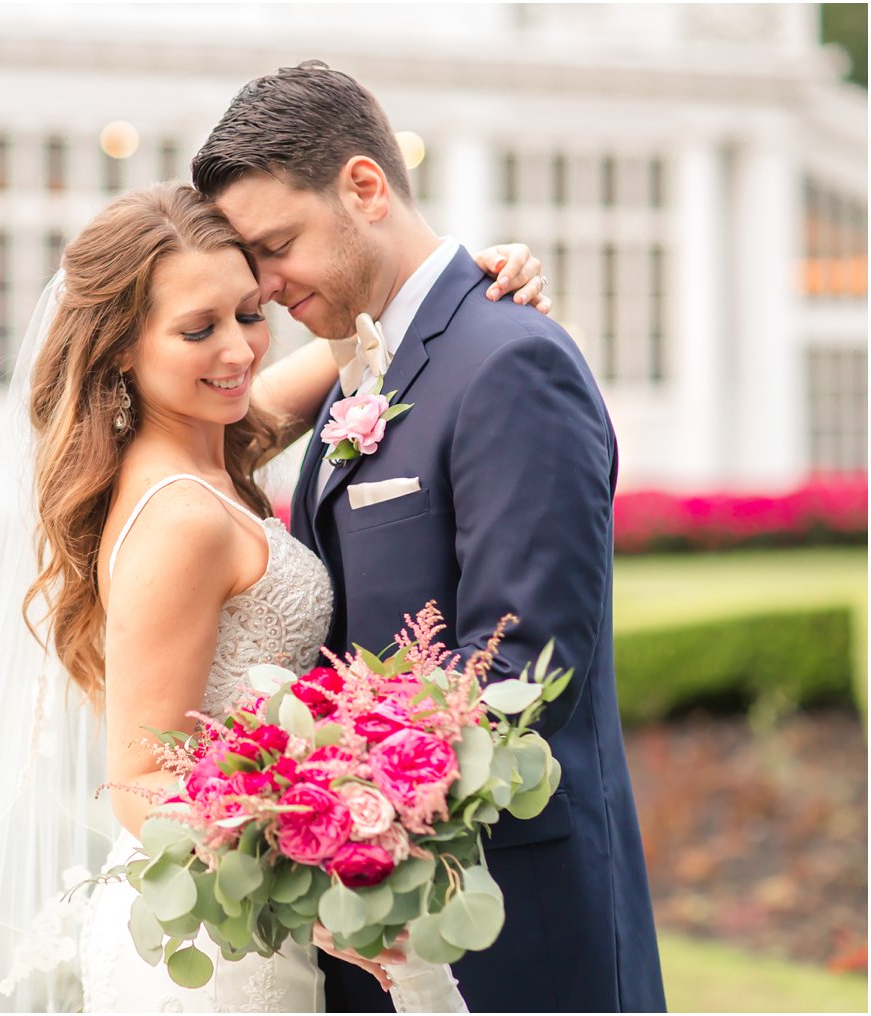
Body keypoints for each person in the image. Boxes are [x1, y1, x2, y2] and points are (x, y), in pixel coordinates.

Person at [0, 174, 550, 1011]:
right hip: (214, 947)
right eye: (198, 329)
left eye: (248, 314)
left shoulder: (213, 445)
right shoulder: (183, 518)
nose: (239, 351)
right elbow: (137, 781)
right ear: (123, 348)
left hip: (239, 923)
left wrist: (470, 278)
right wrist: (317, 871)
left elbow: (359, 347)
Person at [191, 60, 667, 1013]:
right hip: (379, 930)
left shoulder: (511, 362)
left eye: (277, 245)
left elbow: (526, 678)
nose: (267, 287)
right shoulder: (366, 360)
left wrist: (333, 824)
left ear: (364, 186)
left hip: (507, 933)